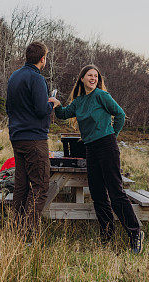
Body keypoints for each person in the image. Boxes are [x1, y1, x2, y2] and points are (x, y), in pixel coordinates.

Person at [54, 64, 144, 253]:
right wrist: (55, 103)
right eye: (89, 75)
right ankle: (107, 236)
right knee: (97, 194)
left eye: (96, 76)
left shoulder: (102, 96)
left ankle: (135, 233)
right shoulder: (79, 102)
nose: (93, 78)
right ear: (82, 78)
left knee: (116, 193)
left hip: (107, 146)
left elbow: (120, 114)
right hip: (90, 149)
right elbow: (63, 114)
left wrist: (112, 135)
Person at [5, 41, 60, 233]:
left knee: (21, 185)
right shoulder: (37, 79)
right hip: (34, 139)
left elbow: (9, 107)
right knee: (40, 185)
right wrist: (51, 103)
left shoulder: (14, 76)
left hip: (17, 136)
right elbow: (40, 110)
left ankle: (15, 227)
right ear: (43, 58)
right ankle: (29, 232)